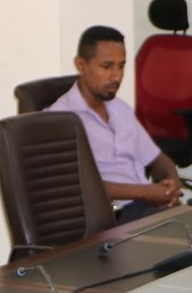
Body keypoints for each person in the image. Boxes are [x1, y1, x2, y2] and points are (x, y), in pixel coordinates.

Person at [48, 25, 183, 221]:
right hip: (110, 216)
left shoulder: (119, 108)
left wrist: (172, 185)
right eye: (107, 66)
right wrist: (145, 192)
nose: (116, 76)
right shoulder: (61, 118)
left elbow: (158, 159)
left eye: (121, 66)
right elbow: (74, 187)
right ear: (81, 64)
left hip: (144, 208)